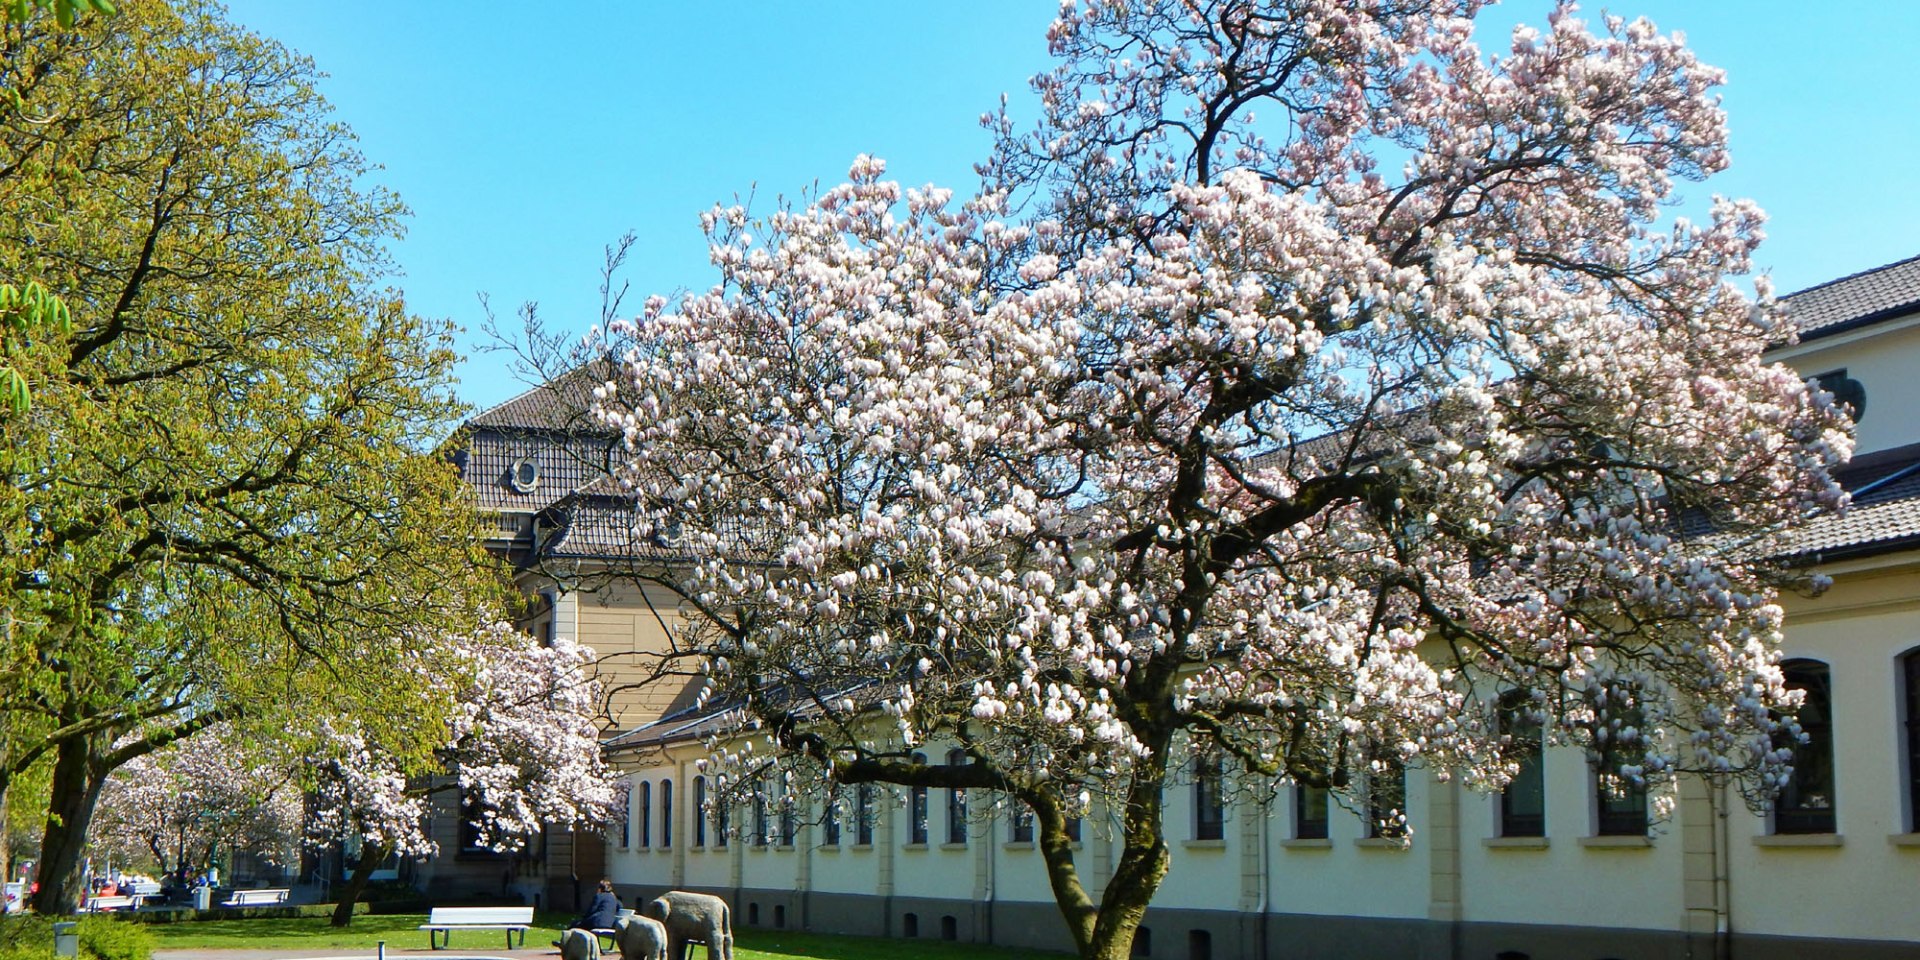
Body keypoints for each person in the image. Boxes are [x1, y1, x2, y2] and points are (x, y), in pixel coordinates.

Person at [552, 879, 621, 947]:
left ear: (600, 889)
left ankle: (564, 942)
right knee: (579, 924)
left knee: (575, 924)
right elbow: (620, 906)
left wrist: (584, 918)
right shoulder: (614, 898)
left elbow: (591, 910)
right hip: (609, 924)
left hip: (596, 922)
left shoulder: (599, 896)